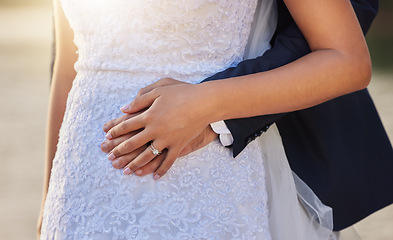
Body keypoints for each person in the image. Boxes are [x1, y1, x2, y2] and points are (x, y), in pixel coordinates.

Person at [37, 0, 381, 239]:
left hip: (201, 178)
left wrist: (205, 102)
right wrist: (49, 201)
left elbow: (345, 59)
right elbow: (72, 67)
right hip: (80, 191)